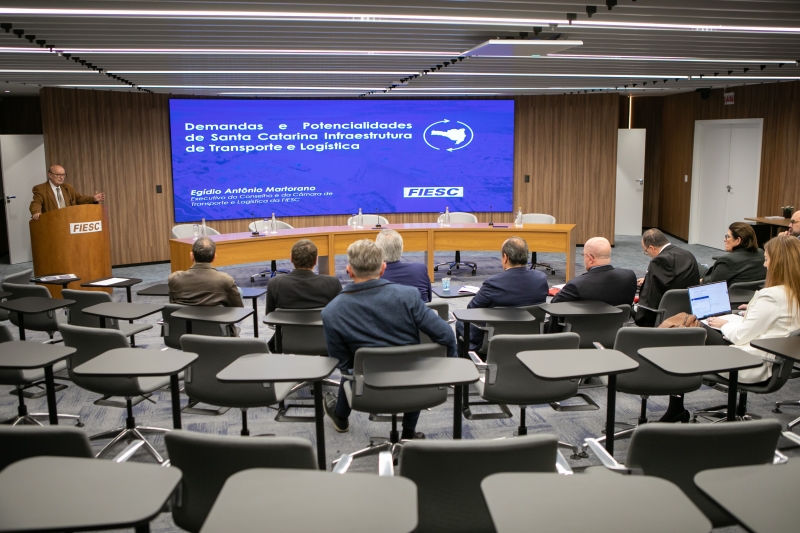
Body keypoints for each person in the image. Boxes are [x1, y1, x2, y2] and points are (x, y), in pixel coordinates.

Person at [321, 239, 457, 439]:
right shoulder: (408, 296)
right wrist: (451, 368)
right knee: (413, 358)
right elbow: (445, 335)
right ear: (383, 268)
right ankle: (409, 433)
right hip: (415, 386)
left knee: (352, 369)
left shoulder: (331, 312)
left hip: (365, 392)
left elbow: (342, 364)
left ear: (349, 271)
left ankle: (341, 418)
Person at [660, 236, 800, 423]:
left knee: (688, 328)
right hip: (771, 359)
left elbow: (742, 336)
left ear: (779, 263)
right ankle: (675, 405)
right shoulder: (793, 292)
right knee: (691, 326)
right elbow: (774, 323)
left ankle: (674, 405)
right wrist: (749, 312)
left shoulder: (772, 296)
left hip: (750, 362)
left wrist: (724, 324)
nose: (765, 265)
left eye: (766, 259)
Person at [456, 237, 548, 351]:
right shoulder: (541, 278)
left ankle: (466, 360)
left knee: (460, 323)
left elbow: (471, 310)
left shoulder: (494, 283)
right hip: (532, 337)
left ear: (505, 257)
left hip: (496, 340)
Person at [546, 237, 636, 333]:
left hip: (579, 338)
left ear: (590, 258)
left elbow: (554, 306)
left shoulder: (577, 285)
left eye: (583, 255)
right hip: (616, 336)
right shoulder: (629, 276)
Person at [266, 239, 342, 350]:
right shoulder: (332, 283)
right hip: (325, 345)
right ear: (316, 260)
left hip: (285, 345)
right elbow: (339, 318)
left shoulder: (275, 284)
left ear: (291, 258)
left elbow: (270, 318)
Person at [634, 229, 700, 327]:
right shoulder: (688, 254)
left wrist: (640, 317)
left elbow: (651, 297)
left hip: (665, 316)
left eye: (646, 252)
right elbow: (676, 278)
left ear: (652, 248)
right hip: (690, 311)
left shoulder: (659, 261)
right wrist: (649, 279)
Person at [168, 237, 244, 308]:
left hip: (183, 321)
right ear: (214, 257)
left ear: (191, 256)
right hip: (214, 321)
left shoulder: (174, 279)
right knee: (238, 291)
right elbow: (238, 309)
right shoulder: (226, 280)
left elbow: (173, 304)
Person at [29, 165, 106, 220]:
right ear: (50, 175)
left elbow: (78, 198)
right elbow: (36, 203)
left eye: (63, 175)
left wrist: (93, 199)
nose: (61, 177)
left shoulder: (68, 187)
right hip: (52, 223)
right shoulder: (40, 189)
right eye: (58, 175)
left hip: (69, 221)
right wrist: (36, 212)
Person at [701, 222, 766, 286]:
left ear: (738, 240)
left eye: (728, 236)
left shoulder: (727, 261)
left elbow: (711, 285)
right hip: (754, 294)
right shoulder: (761, 253)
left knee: (696, 266)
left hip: (730, 295)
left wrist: (701, 280)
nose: (724, 239)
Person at [375, 229, 431, 302]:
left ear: (378, 250)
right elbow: (428, 301)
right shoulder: (420, 269)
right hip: (418, 313)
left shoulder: (372, 276)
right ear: (401, 248)